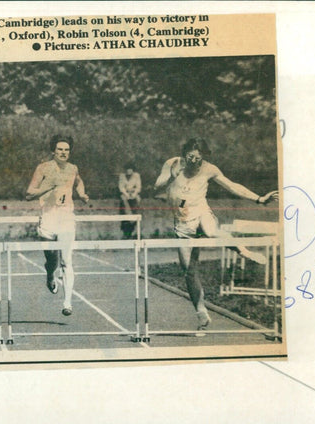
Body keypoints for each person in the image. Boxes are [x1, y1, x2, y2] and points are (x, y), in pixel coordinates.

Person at [154, 138, 278, 332]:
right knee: (188, 270)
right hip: (182, 221)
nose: (194, 162)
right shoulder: (173, 163)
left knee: (211, 231)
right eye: (191, 157)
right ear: (185, 154)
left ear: (204, 157)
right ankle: (201, 311)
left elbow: (232, 186)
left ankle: (243, 250)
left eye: (198, 158)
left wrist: (259, 199)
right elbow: (156, 186)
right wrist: (171, 176)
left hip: (201, 212)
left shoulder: (209, 169)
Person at [25, 135, 90, 316]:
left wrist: (82, 194)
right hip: (48, 217)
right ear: (53, 151)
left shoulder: (72, 168)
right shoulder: (43, 168)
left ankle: (67, 302)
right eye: (60, 149)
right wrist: (48, 188)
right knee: (52, 260)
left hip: (66, 217)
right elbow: (29, 194)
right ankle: (49, 275)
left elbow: (78, 182)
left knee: (66, 260)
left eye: (67, 150)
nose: (63, 153)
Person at [118, 164, 142, 239]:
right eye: (127, 169)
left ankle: (136, 213)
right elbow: (121, 187)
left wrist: (134, 193)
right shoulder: (122, 176)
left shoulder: (136, 176)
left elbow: (138, 187)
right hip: (125, 193)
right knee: (123, 199)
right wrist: (126, 194)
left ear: (132, 170)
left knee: (138, 199)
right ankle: (129, 215)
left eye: (130, 169)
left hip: (134, 193)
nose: (128, 171)